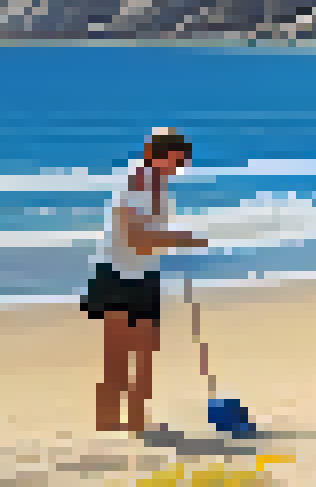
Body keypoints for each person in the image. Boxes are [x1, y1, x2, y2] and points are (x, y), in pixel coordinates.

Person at [84, 129, 209, 433]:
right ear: (161, 155)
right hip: (115, 275)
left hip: (143, 274)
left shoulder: (158, 184)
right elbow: (135, 238)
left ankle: (136, 421)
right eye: (179, 161)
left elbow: (146, 238)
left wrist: (175, 241)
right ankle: (109, 421)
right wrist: (180, 239)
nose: (181, 168)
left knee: (145, 351)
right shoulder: (136, 181)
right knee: (118, 354)